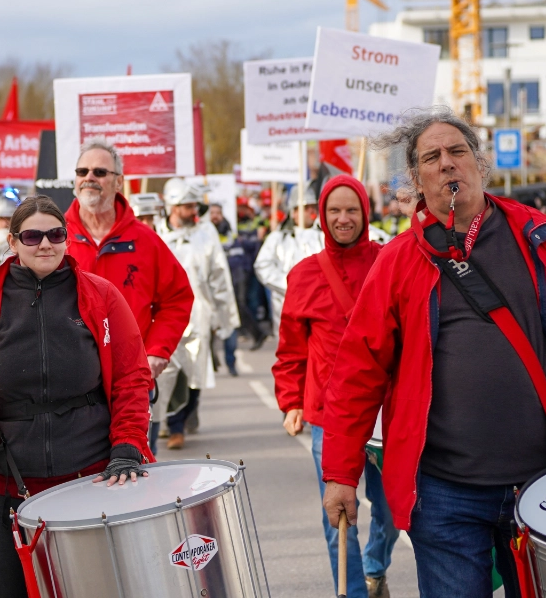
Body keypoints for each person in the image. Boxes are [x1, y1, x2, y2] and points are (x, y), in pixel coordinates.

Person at [320, 108, 546, 598]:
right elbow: (358, 370)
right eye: (431, 158)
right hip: (442, 493)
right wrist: (340, 473)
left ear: (480, 164)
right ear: (417, 179)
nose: (447, 163)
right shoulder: (397, 261)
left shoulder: (541, 237)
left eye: (457, 151)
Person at [0, 196, 153, 598]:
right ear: (13, 242)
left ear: (67, 239)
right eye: (32, 236)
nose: (45, 244)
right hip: (3, 485)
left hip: (90, 479)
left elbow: (131, 378)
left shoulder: (101, 296)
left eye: (55, 234)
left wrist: (128, 445)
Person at [273, 174, 398, 598]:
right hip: (328, 414)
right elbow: (291, 350)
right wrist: (291, 402)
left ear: (366, 212)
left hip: (385, 412)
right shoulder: (304, 274)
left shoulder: (388, 261)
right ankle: (354, 591)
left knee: (392, 510)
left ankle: (376, 567)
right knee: (339, 518)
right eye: (334, 211)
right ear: (321, 216)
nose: (343, 219)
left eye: (352, 210)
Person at [64, 139, 193, 384]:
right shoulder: (54, 238)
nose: (89, 178)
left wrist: (157, 350)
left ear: (119, 182)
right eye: (82, 171)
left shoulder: (146, 241)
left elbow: (177, 299)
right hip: (69, 380)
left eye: (99, 172)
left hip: (130, 378)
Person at [154, 179, 240, 452]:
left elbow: (219, 275)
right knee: (164, 370)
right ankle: (171, 421)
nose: (194, 211)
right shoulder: (153, 232)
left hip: (199, 314)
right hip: (163, 317)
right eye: (188, 206)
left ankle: (183, 417)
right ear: (173, 206)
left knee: (195, 372)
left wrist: (224, 317)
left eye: (195, 205)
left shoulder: (206, 232)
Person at [254, 185, 324, 340]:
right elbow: (263, 265)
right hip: (287, 307)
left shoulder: (324, 235)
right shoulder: (278, 238)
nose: (311, 211)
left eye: (313, 207)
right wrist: (289, 285)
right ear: (294, 212)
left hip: (320, 307)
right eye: (306, 207)